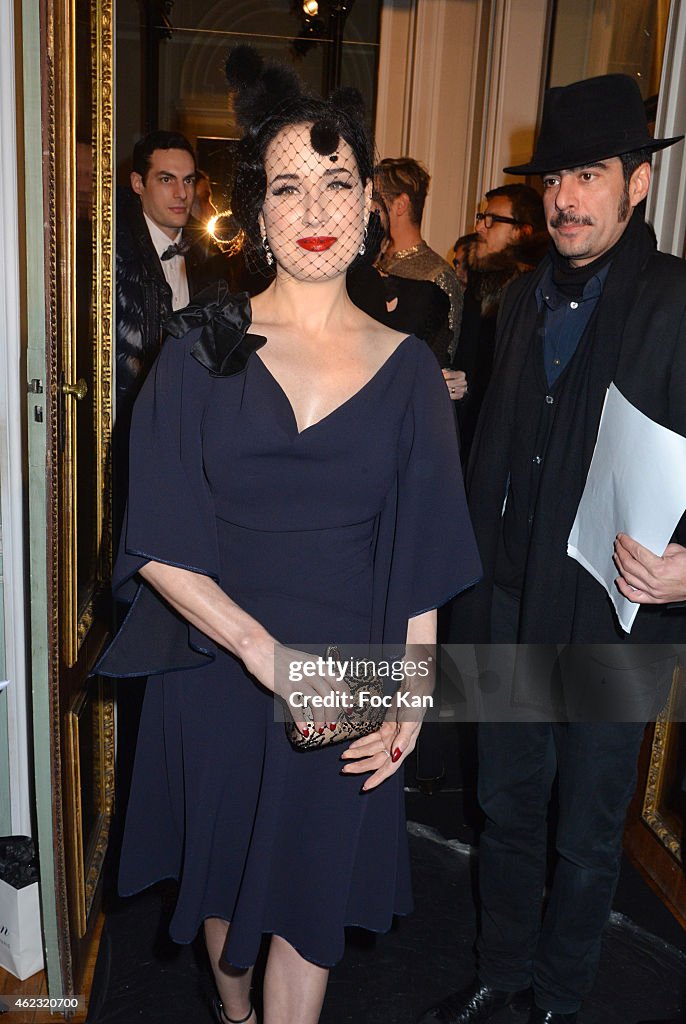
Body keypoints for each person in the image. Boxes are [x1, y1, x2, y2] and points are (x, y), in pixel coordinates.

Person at [100, 46, 480, 1024]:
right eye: (287, 187)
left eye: (336, 182)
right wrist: (267, 657)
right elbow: (158, 539)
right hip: (217, 662)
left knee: (306, 917)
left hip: (347, 669)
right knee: (225, 918)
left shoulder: (407, 371)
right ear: (259, 216)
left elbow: (424, 548)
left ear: (364, 210)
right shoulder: (199, 352)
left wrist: (406, 691)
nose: (314, 209)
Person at [420, 74, 685, 1024]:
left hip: (616, 621)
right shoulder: (517, 299)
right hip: (508, 607)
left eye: (589, 173)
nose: (565, 197)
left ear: (636, 185)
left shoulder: (678, 298)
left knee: (585, 835)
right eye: (553, 180)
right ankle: (502, 972)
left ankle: (561, 999)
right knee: (507, 811)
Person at [450, 185, 547, 464]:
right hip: (465, 436)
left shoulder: (536, 296)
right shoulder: (477, 287)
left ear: (522, 231)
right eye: (481, 217)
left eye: (491, 220)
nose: (480, 227)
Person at [375, 156, 463, 358]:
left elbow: (443, 356)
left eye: (376, 199)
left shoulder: (438, 275)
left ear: (400, 205)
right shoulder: (370, 260)